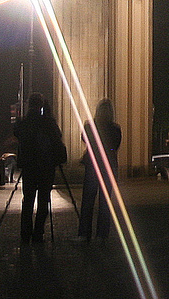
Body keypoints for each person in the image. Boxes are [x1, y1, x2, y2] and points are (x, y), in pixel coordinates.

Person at [13, 93, 66, 244]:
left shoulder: (25, 122)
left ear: (29, 104)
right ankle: (38, 233)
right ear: (42, 105)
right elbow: (58, 136)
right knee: (44, 201)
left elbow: (16, 132)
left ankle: (25, 233)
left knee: (28, 201)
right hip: (46, 166)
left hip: (29, 167)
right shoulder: (48, 122)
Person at [74, 98, 122, 243]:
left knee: (88, 201)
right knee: (105, 203)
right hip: (108, 166)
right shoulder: (115, 128)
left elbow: (84, 138)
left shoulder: (90, 126)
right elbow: (116, 145)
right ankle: (102, 235)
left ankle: (84, 233)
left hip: (93, 167)